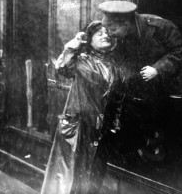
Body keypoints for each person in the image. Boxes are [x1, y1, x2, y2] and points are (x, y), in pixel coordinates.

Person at [40, 21, 123, 194]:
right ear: (90, 40)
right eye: (99, 33)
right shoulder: (82, 61)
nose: (105, 35)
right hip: (78, 128)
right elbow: (62, 67)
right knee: (69, 177)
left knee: (93, 176)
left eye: (107, 32)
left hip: (100, 129)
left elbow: (117, 98)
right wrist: (76, 43)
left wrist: (114, 123)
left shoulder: (115, 66)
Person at [98, 1, 182, 162]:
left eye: (113, 29)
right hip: (135, 94)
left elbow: (180, 50)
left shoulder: (159, 27)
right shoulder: (119, 36)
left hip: (162, 92)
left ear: (126, 23)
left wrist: (158, 68)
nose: (110, 33)